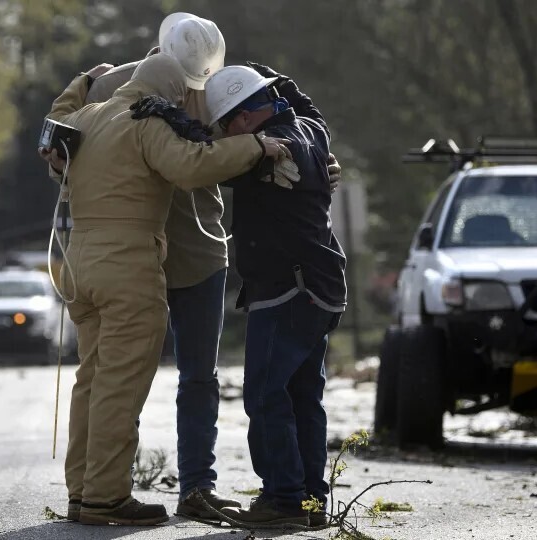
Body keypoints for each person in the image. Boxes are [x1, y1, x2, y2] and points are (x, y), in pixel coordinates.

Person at [39, 11, 343, 521]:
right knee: (134, 379)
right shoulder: (132, 94)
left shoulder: (217, 84)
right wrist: (258, 146)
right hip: (140, 254)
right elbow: (187, 163)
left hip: (171, 252)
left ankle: (159, 487)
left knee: (141, 377)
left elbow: (61, 138)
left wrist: (312, 160)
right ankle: (107, 494)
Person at [203, 63, 348, 528]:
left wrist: (169, 117)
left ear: (245, 119)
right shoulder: (311, 130)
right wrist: (276, 78)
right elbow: (312, 111)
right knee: (303, 396)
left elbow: (204, 155)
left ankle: (283, 500)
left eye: (227, 123)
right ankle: (310, 502)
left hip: (289, 287)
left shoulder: (267, 150)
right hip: (319, 287)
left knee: (266, 396)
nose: (226, 133)